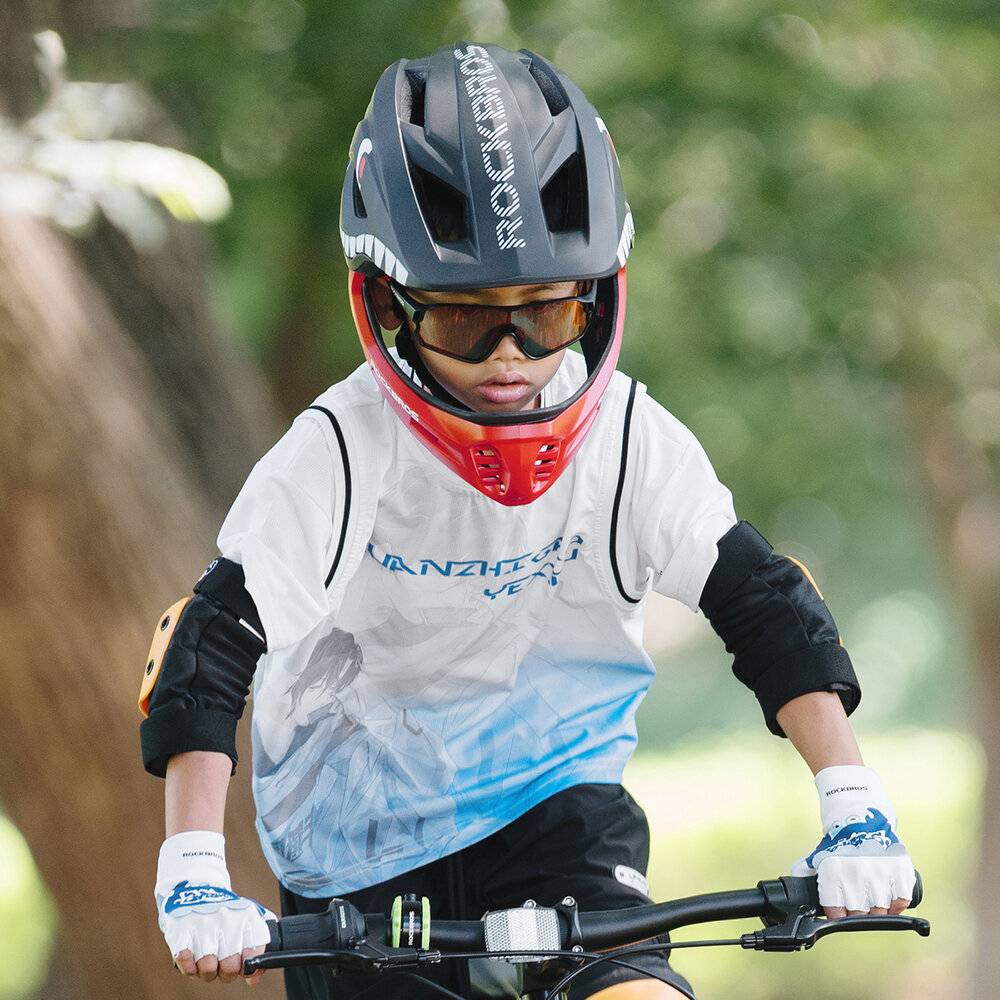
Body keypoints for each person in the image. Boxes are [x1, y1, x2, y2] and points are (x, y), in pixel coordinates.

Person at [138, 42, 917, 1000]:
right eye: (468, 323)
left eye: (544, 318)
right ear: (390, 305)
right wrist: (194, 869)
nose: (511, 357)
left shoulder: (629, 442)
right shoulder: (341, 452)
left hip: (559, 814)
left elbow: (763, 605)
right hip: (359, 854)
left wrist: (853, 802)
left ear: (592, 303)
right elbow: (210, 646)